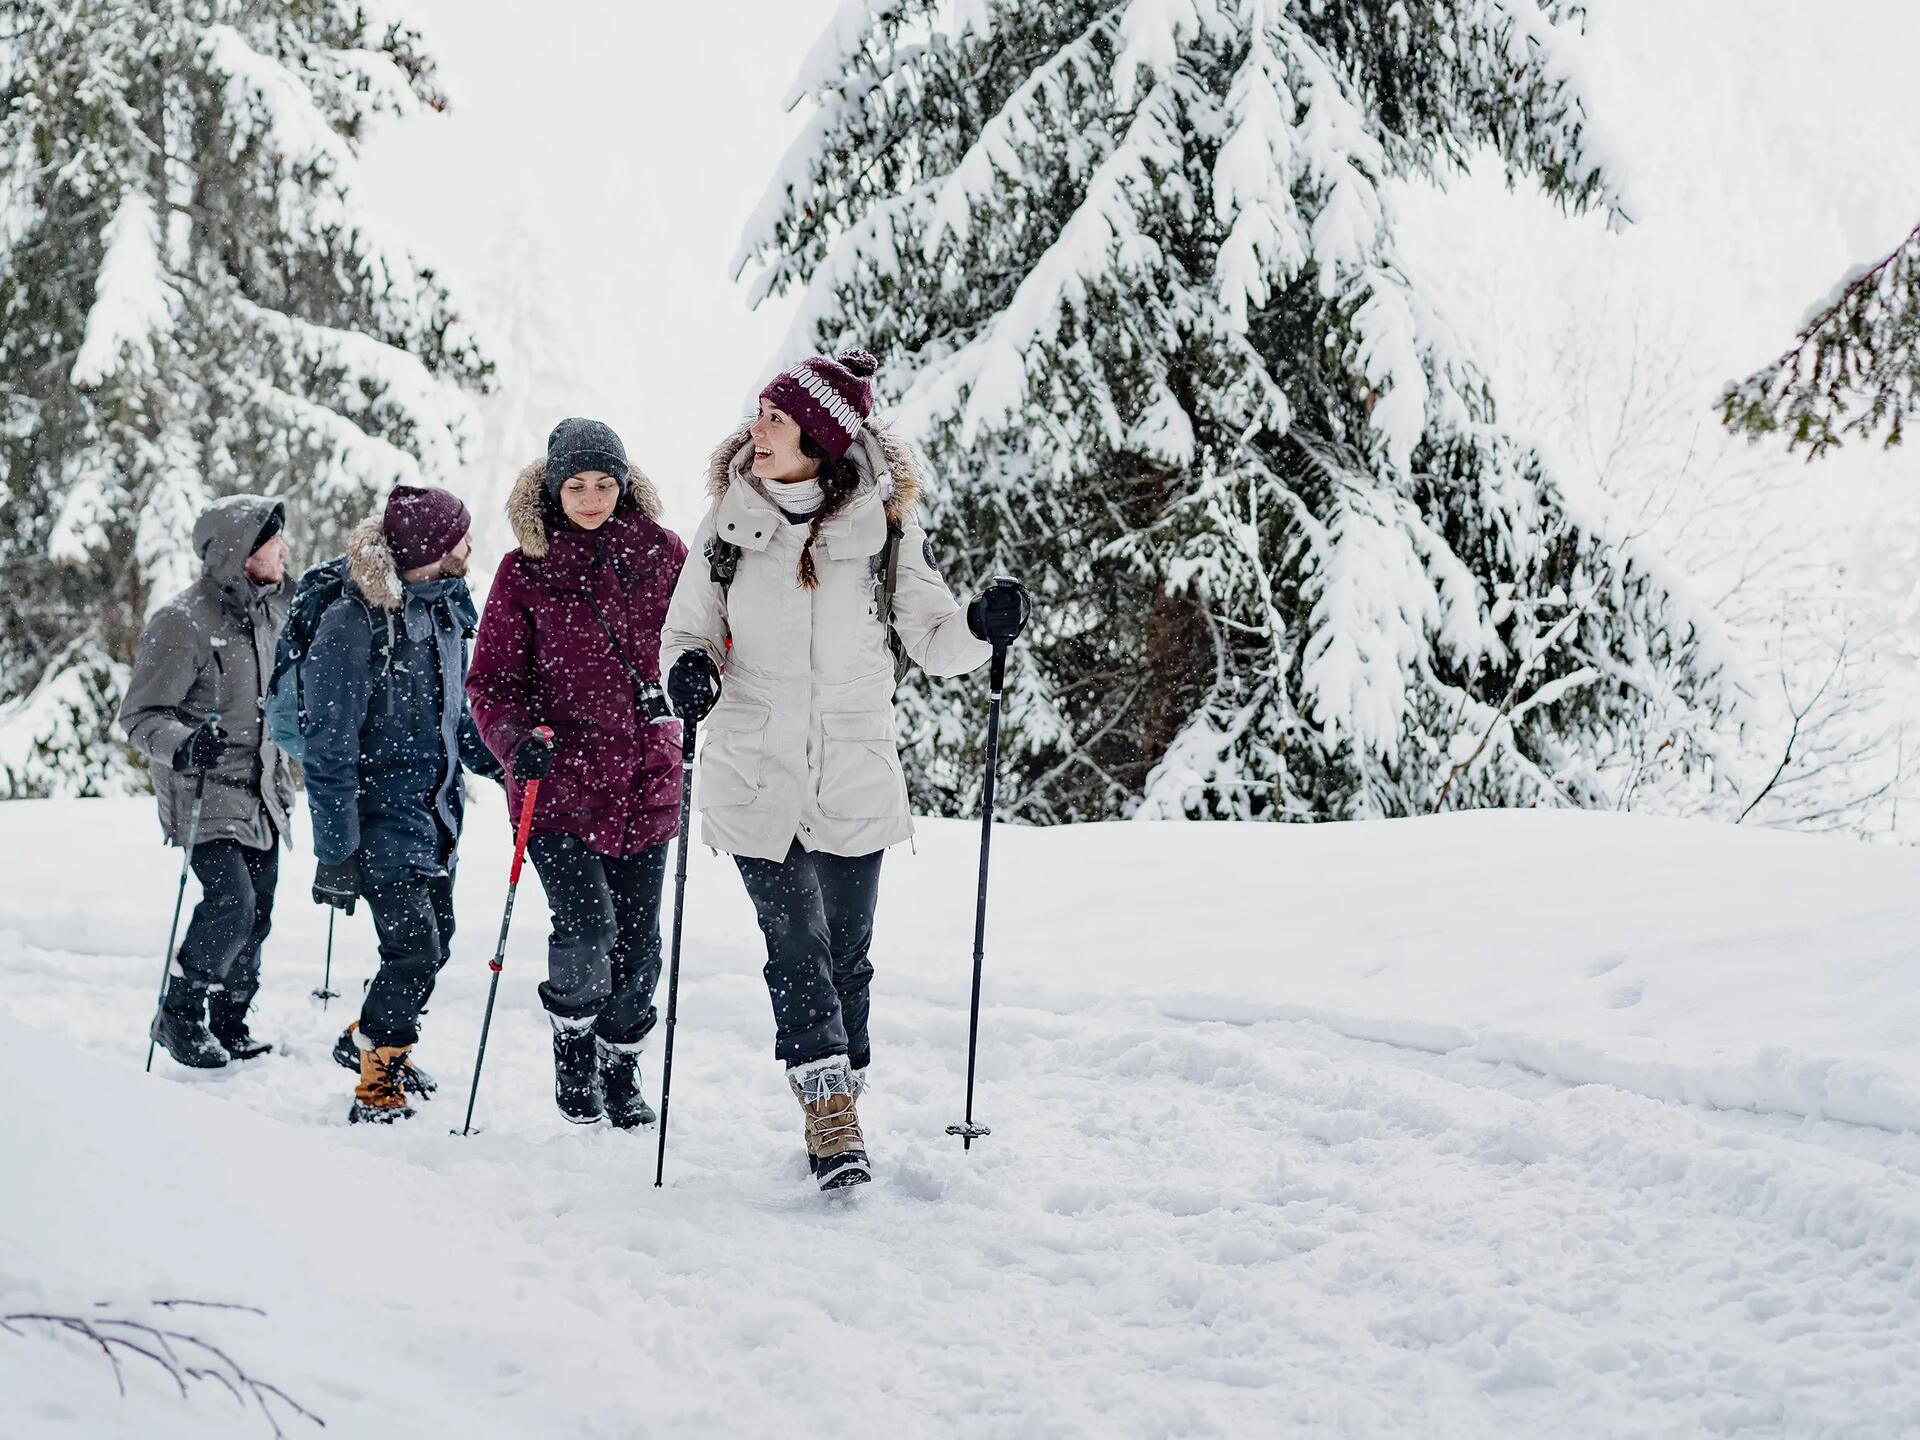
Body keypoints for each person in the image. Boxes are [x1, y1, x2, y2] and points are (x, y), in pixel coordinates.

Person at [661, 350, 1032, 1190]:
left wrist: (980, 623)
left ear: (821, 440)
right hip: (755, 770)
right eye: (759, 415)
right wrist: (689, 672)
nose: (755, 431)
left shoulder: (883, 535)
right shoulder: (726, 527)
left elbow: (937, 641)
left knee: (845, 956)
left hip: (853, 771)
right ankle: (829, 1107)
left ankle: (842, 1078)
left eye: (775, 420)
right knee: (794, 941)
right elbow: (686, 633)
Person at [468, 419, 689, 1128]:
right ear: (552, 487)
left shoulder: (664, 555)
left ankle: (620, 1062)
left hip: (646, 783)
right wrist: (512, 740)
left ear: (623, 485)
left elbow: (708, 638)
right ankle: (572, 1042)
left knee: (640, 945)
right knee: (587, 930)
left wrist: (694, 683)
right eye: (577, 484)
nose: (591, 497)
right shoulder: (524, 571)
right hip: (558, 787)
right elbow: (491, 682)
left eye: (603, 483)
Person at [302, 484, 504, 1124]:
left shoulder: (446, 610)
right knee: (414, 948)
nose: (471, 545)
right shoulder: (351, 624)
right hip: (379, 816)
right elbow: (326, 750)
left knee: (436, 942)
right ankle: (376, 1082)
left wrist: (507, 766)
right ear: (435, 548)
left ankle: (369, 1034)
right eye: (462, 536)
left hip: (435, 815)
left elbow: (458, 717)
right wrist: (335, 852)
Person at [121, 495, 295, 1068]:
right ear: (241, 553)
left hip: (262, 788)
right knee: (232, 903)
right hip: (203, 790)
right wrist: (185, 743)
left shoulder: (273, 611)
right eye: (273, 542)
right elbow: (140, 716)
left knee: (260, 910)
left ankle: (230, 1019)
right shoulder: (182, 621)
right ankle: (178, 1014)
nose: (284, 549)